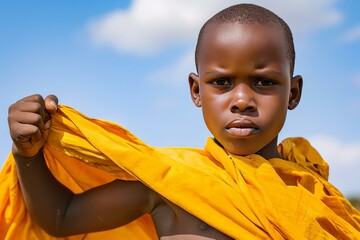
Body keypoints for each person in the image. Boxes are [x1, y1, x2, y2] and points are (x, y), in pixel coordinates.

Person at [2, 3, 360, 240]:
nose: (241, 101)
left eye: (264, 82)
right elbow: (62, 217)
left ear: (293, 93)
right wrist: (27, 154)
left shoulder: (311, 194)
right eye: (221, 83)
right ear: (196, 90)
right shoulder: (169, 181)